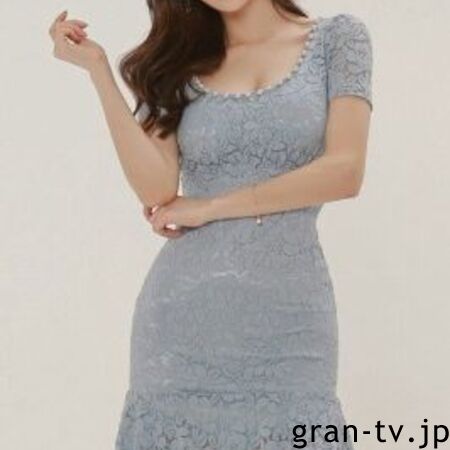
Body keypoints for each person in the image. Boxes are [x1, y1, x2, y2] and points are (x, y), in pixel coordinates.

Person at [48, 0, 373, 448]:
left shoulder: (339, 40)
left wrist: (211, 206)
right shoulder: (180, 63)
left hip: (291, 326)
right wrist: (98, 71)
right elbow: (156, 191)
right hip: (179, 333)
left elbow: (345, 171)